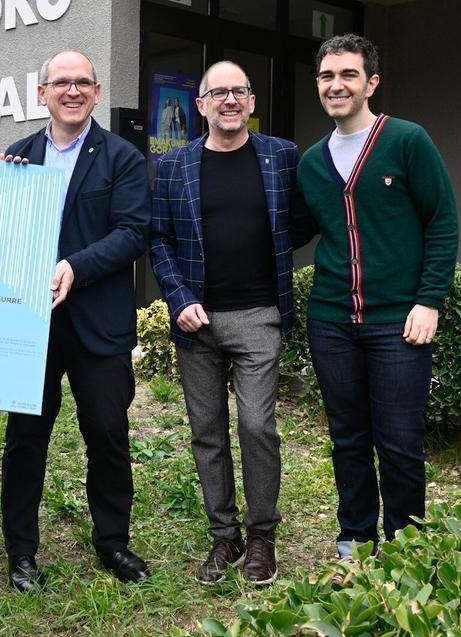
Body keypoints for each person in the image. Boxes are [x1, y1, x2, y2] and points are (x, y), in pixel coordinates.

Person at [292, 35, 459, 557]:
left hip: (398, 321)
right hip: (331, 321)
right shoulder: (313, 162)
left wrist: (429, 300)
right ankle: (356, 538)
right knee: (347, 438)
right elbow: (291, 228)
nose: (336, 85)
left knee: (400, 443)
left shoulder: (407, 141)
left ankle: (406, 546)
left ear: (371, 83)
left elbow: (442, 222)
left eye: (348, 75)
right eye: (326, 76)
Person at [0, 49, 151, 591]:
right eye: (60, 82)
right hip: (31, 326)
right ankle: (21, 551)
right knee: (25, 441)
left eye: (82, 82)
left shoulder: (122, 157)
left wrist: (74, 267)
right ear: (41, 94)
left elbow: (134, 232)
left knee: (107, 435)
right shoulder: (17, 156)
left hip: (98, 324)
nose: (72, 90)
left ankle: (113, 542)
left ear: (96, 91)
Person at [150, 61, 299, 585]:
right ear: (201, 104)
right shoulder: (174, 166)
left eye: (239, 91)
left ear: (252, 102)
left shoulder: (282, 157)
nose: (229, 100)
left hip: (260, 314)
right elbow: (160, 239)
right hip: (198, 321)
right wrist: (179, 297)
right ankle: (224, 536)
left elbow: (300, 220)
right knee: (206, 431)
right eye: (219, 92)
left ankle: (262, 536)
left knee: (257, 425)